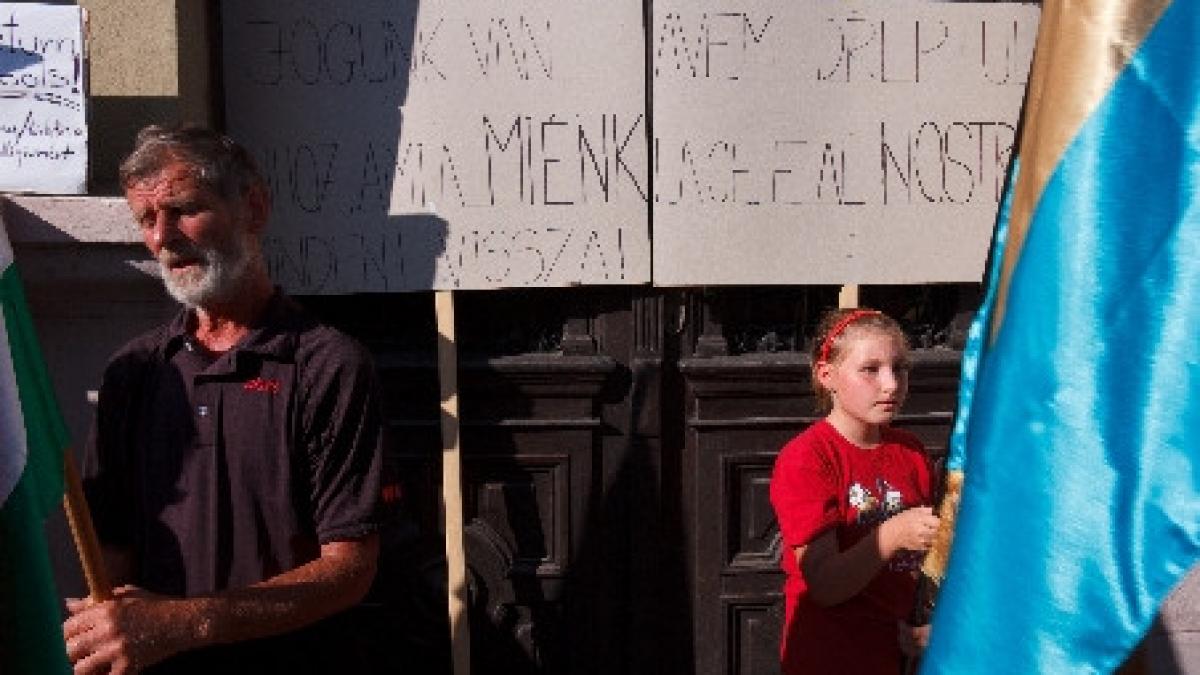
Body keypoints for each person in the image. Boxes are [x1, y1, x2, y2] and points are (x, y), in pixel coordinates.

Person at [61, 126, 385, 674]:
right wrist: (109, 627)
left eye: (183, 210)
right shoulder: (133, 373)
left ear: (253, 207)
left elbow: (350, 569)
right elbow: (111, 550)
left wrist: (184, 623)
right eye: (146, 219)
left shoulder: (327, 365)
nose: (163, 237)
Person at [769, 308, 940, 675]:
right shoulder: (807, 458)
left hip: (895, 657)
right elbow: (825, 583)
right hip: (830, 656)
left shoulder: (909, 450)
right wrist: (892, 534)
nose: (891, 384)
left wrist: (932, 626)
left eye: (900, 368)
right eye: (870, 369)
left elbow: (934, 564)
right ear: (826, 375)